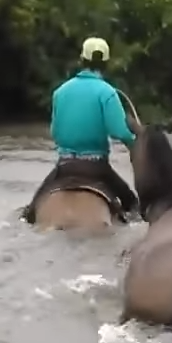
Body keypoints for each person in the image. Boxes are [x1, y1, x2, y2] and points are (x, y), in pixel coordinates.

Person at [32, 37, 139, 216]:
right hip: (97, 167)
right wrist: (136, 147)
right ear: (106, 64)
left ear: (81, 60)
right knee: (133, 205)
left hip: (64, 166)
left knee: (31, 210)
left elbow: (55, 132)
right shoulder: (107, 92)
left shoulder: (60, 92)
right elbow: (120, 132)